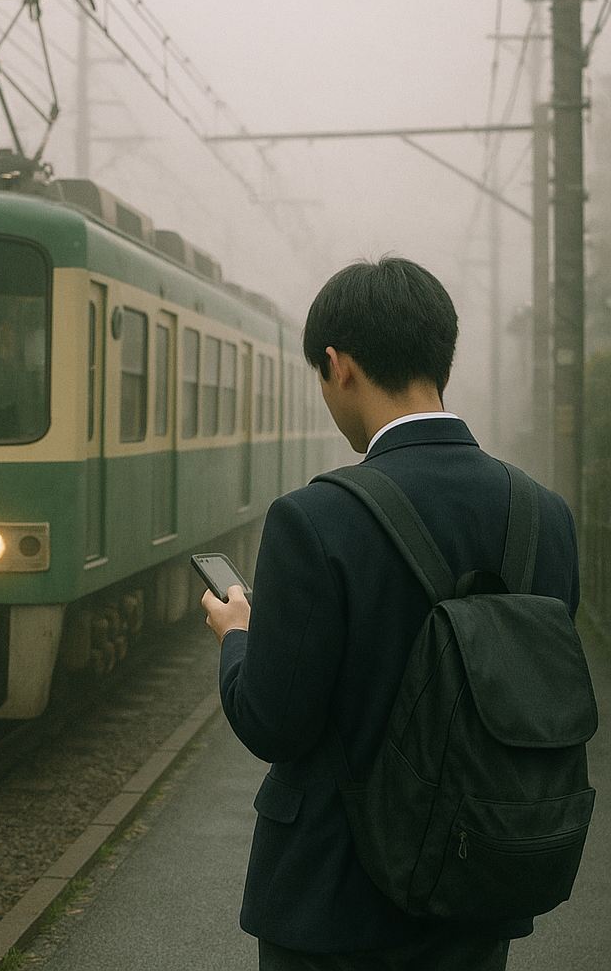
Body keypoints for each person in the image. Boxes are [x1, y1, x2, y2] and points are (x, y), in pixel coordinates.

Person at [201, 257, 579, 971]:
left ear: (338, 366)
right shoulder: (545, 517)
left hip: (332, 909)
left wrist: (238, 636)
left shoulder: (313, 521)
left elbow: (273, 723)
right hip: (482, 887)